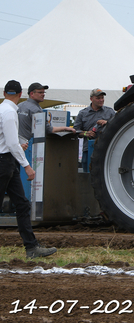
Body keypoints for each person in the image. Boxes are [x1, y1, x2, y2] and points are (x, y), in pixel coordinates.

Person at [0, 80, 57, 258]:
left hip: (6, 160)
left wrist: (16, 146)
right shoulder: (10, 112)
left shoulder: (2, 109)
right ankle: (31, 248)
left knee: (23, 204)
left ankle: (31, 247)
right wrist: (27, 166)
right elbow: (10, 143)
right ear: (20, 95)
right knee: (22, 205)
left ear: (4, 93)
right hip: (5, 162)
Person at [73, 88, 116, 172]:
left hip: (105, 148)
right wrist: (86, 133)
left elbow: (117, 126)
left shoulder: (110, 112)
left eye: (102, 98)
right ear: (91, 99)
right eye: (98, 98)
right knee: (87, 174)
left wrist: (107, 123)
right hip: (88, 149)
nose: (101, 100)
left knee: (103, 172)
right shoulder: (83, 113)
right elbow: (75, 131)